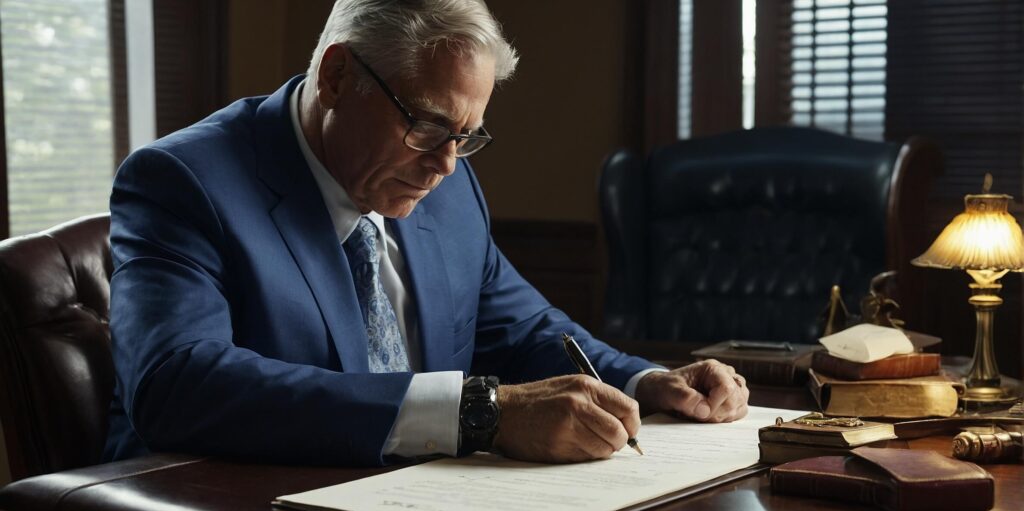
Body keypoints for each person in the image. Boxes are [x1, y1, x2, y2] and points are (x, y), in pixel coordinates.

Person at [103, 0, 748, 467]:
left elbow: (522, 329)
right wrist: (478, 413)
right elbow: (177, 385)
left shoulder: (448, 185)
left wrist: (647, 383)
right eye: (429, 125)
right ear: (335, 77)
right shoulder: (183, 181)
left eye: (467, 137)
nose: (445, 164)